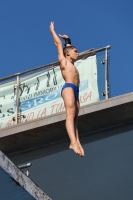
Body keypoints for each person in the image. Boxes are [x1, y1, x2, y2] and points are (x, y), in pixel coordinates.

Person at [50, 22, 84, 157]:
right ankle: (73, 142)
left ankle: (77, 141)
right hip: (69, 87)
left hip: (76, 90)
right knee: (70, 114)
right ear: (68, 53)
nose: (78, 53)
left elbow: (66, 47)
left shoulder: (72, 62)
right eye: (76, 51)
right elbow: (59, 45)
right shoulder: (63, 61)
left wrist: (68, 40)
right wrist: (52, 30)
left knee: (75, 118)